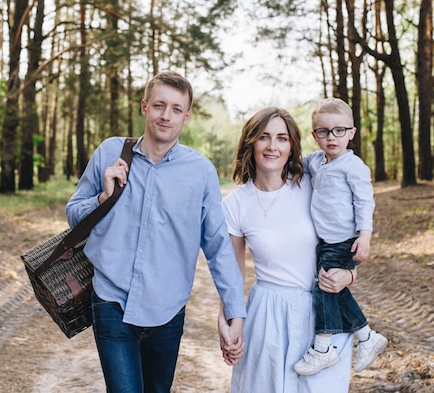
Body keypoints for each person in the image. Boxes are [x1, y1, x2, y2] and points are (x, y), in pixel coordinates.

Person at [65, 71, 246, 393]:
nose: (166, 115)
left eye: (176, 109)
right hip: (111, 300)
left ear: (186, 117)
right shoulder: (110, 153)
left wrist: (234, 312)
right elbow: (73, 214)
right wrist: (102, 199)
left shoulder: (200, 171)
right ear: (144, 106)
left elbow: (218, 246)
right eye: (159, 105)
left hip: (168, 307)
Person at [219, 106, 356, 392]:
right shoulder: (236, 204)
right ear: (250, 142)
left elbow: (348, 240)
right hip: (267, 316)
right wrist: (227, 321)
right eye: (264, 137)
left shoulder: (313, 184)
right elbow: (232, 274)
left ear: (292, 145)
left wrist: (351, 276)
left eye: (282, 138)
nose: (272, 146)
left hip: (322, 315)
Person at [293, 97, 387, 376]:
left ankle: (323, 347)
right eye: (323, 131)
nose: (331, 137)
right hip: (327, 241)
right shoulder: (316, 161)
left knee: (323, 288)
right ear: (314, 135)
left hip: (345, 239)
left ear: (352, 133)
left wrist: (365, 235)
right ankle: (368, 336)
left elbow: (364, 202)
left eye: (339, 130)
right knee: (335, 288)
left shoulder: (353, 165)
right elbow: (294, 162)